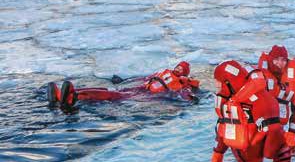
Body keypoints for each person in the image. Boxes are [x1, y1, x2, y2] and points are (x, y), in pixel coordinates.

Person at [211, 60, 295, 162]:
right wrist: (218, 152)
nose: (217, 87)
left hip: (274, 161)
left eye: (218, 82)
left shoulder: (262, 100)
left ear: (228, 82)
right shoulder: (227, 102)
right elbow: (223, 126)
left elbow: (274, 132)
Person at [47, 61, 200, 109]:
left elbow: (185, 93)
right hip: (141, 89)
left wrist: (191, 98)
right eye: (178, 66)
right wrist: (124, 81)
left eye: (182, 69)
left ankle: (75, 96)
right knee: (110, 90)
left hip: (148, 96)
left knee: (115, 95)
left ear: (185, 73)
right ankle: (63, 94)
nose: (179, 69)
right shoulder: (164, 72)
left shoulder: (183, 82)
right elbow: (144, 78)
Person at [235, 45, 295, 149]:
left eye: (283, 60)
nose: (280, 64)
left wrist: (292, 133)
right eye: (276, 59)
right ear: (269, 60)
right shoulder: (257, 76)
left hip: (278, 129)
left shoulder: (294, 82)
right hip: (257, 128)